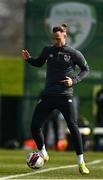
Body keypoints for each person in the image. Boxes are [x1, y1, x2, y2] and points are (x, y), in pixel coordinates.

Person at [21, 23, 90, 174]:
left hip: (65, 96)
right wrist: (29, 59)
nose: (56, 41)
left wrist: (74, 81)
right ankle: (43, 152)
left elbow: (86, 69)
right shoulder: (48, 50)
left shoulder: (73, 53)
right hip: (48, 95)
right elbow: (39, 63)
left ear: (65, 36)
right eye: (54, 38)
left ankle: (81, 163)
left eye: (58, 38)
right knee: (34, 126)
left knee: (73, 127)